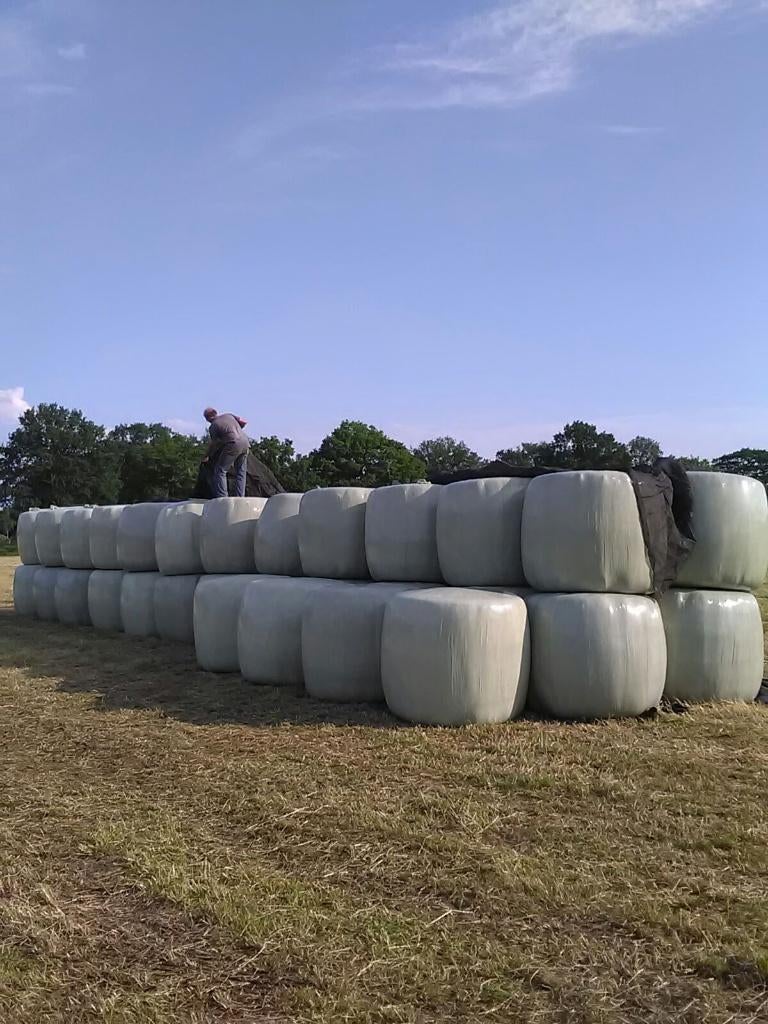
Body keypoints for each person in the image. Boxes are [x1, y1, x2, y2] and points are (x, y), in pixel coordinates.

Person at [203, 407, 250, 498]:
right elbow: (243, 422)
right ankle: (240, 497)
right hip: (246, 443)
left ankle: (223, 498)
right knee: (241, 472)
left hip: (233, 444)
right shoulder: (229, 415)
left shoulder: (213, 426)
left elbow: (215, 444)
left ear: (207, 418)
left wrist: (207, 456)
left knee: (220, 470)